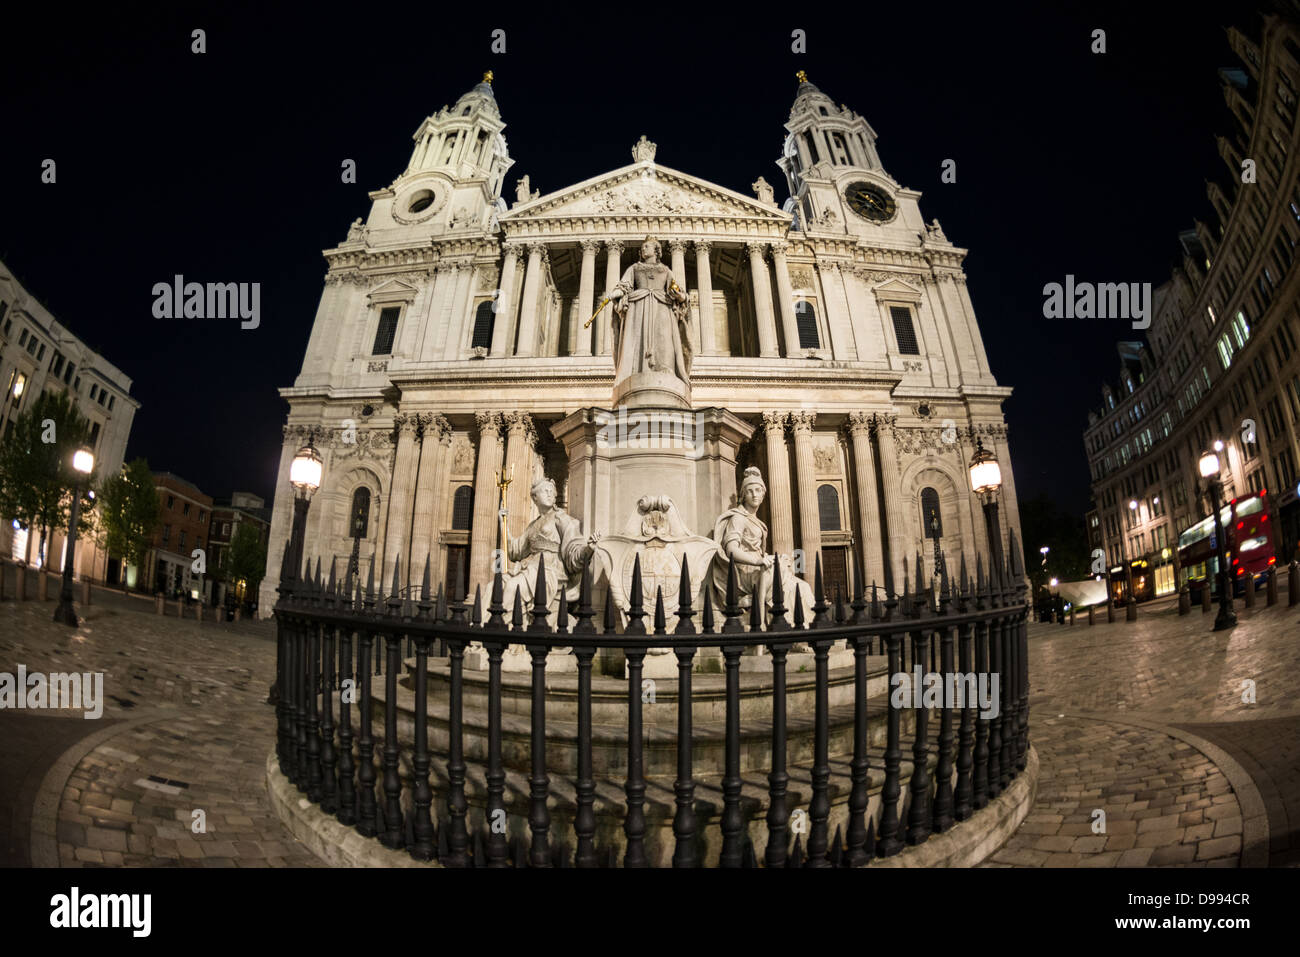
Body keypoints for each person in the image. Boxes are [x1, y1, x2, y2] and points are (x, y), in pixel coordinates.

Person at [608, 237, 692, 388]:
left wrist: (679, 295)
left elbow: (679, 292)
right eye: (642, 247)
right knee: (636, 338)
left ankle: (666, 369)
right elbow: (624, 285)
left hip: (662, 306)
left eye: (647, 246)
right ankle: (635, 371)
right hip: (638, 306)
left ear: (656, 250)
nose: (643, 249)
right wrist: (616, 293)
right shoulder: (634, 268)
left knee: (664, 338)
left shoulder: (666, 270)